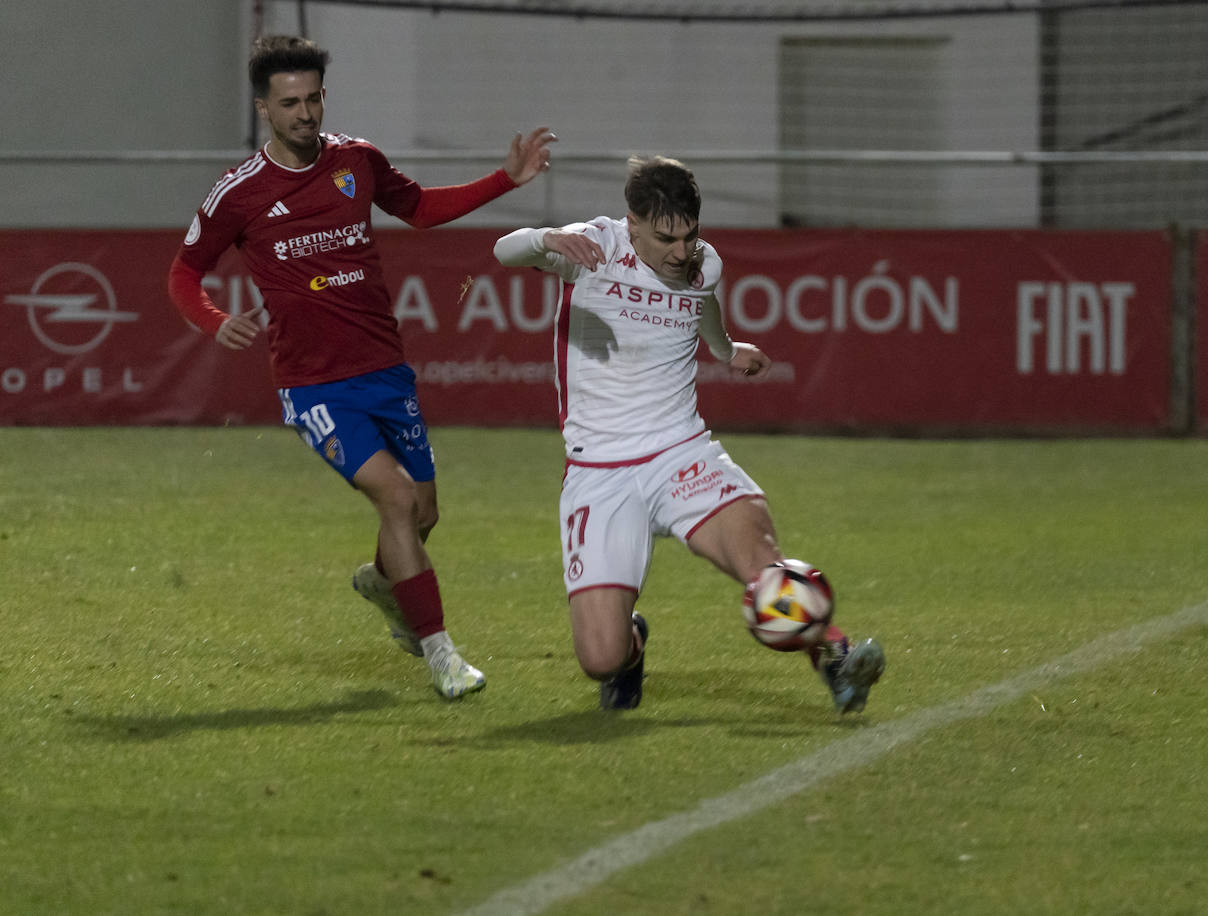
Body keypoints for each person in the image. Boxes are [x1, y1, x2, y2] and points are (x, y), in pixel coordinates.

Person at [167, 35, 557, 698]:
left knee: (423, 514)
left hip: (384, 368)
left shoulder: (357, 160)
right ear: (264, 107)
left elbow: (421, 210)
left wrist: (503, 181)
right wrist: (213, 320)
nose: (306, 113)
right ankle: (440, 654)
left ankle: (383, 584)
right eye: (290, 102)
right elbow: (184, 274)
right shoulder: (238, 193)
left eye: (314, 97)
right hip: (314, 384)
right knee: (397, 499)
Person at [492, 155, 885, 711]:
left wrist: (727, 350)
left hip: (681, 453)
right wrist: (545, 238)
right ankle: (632, 646)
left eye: (689, 235)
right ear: (631, 224)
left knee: (762, 564)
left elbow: (701, 306)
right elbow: (503, 251)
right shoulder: (592, 247)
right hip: (599, 471)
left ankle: (838, 655)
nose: (681, 251)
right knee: (599, 657)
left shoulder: (703, 264)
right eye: (665, 238)